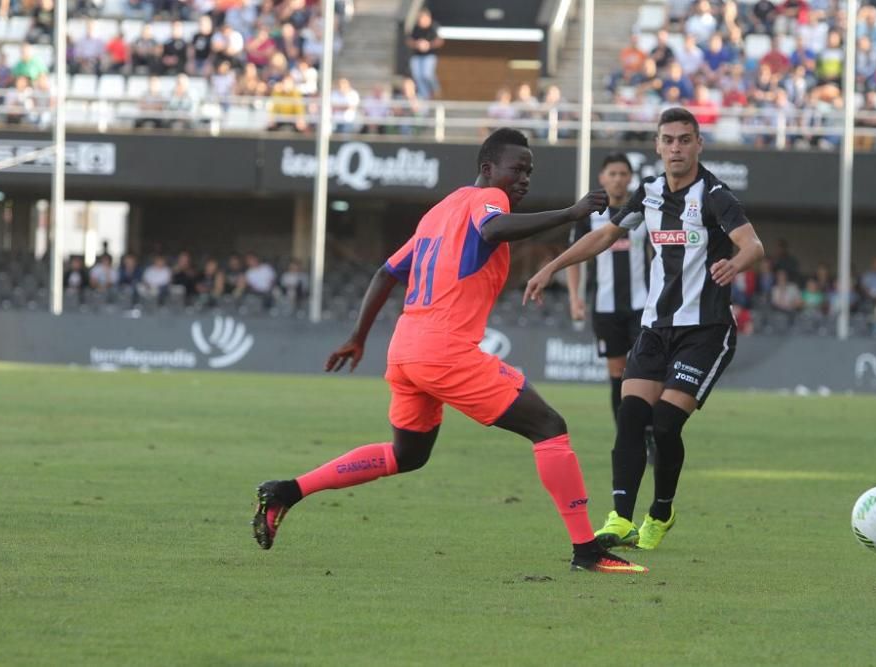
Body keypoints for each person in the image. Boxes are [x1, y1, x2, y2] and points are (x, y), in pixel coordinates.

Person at [252, 128, 646, 575]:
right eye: (516, 168)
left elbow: (385, 273)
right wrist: (571, 212)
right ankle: (587, 551)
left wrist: (358, 336)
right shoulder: (485, 200)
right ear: (487, 169)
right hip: (444, 350)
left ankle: (286, 490)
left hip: (405, 349)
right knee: (549, 426)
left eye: (529, 171)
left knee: (407, 455)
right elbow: (494, 227)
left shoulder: (438, 213)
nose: (523, 179)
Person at [524, 108, 765, 551]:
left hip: (706, 330)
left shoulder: (715, 195)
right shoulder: (649, 193)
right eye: (668, 140)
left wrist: (735, 262)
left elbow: (753, 244)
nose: (676, 148)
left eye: (684, 140)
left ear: (698, 145)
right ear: (657, 146)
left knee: (666, 425)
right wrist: (553, 266)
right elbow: (603, 235)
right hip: (655, 328)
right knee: (631, 415)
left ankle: (661, 511)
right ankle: (619, 518)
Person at [566, 153, 649, 421]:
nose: (618, 179)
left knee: (644, 371)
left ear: (630, 178)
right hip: (605, 307)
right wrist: (575, 298)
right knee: (617, 372)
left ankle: (647, 432)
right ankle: (625, 433)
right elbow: (574, 258)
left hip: (642, 306)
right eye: (612, 174)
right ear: (602, 178)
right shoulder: (589, 216)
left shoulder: (643, 212)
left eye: (623, 174)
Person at [407, 8, 443, 99]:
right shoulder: (416, 27)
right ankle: (425, 95)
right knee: (417, 76)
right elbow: (409, 41)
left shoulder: (434, 27)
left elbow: (440, 41)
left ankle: (435, 89)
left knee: (427, 74)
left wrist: (428, 45)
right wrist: (417, 44)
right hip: (417, 56)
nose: (421, 21)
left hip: (429, 56)